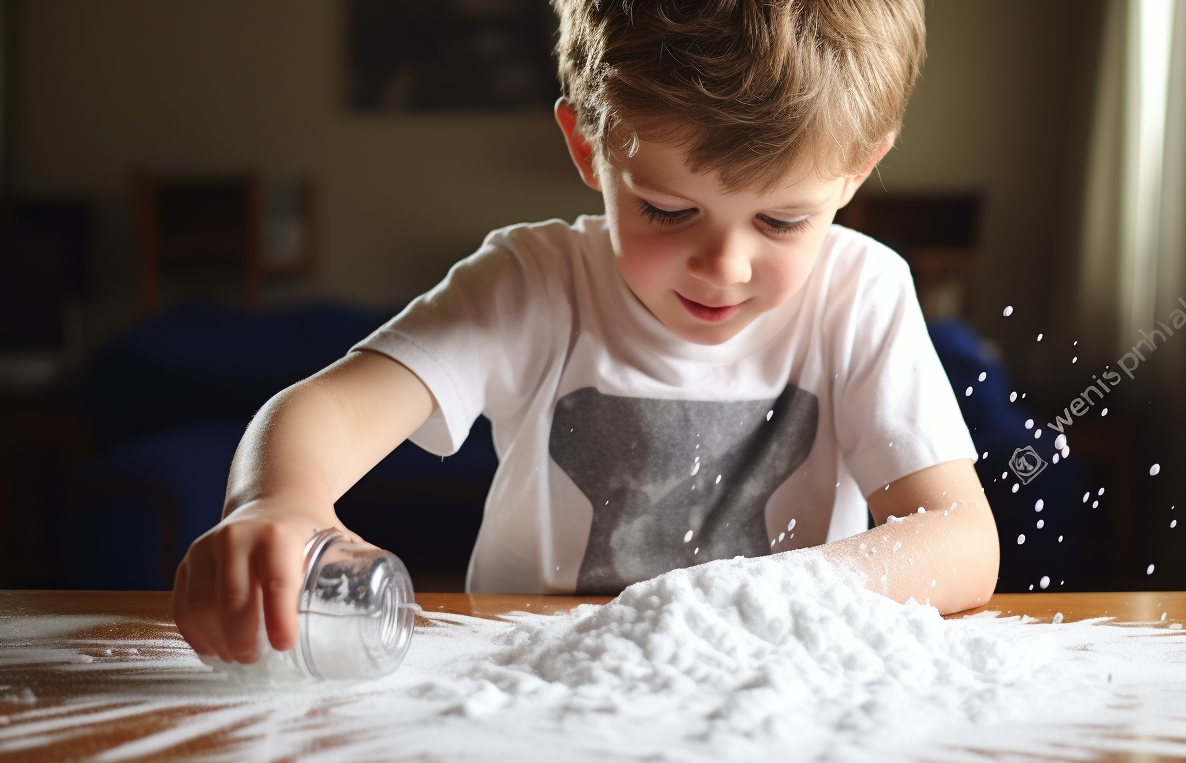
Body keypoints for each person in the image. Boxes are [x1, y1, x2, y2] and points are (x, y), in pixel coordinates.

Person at [173, 0, 1000, 665]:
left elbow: (961, 539)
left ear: (858, 169)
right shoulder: (532, 285)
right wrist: (276, 502)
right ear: (587, 145)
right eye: (667, 211)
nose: (724, 266)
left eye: (783, 221)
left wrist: (751, 598)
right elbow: (326, 411)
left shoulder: (862, 293)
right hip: (533, 694)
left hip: (779, 694)